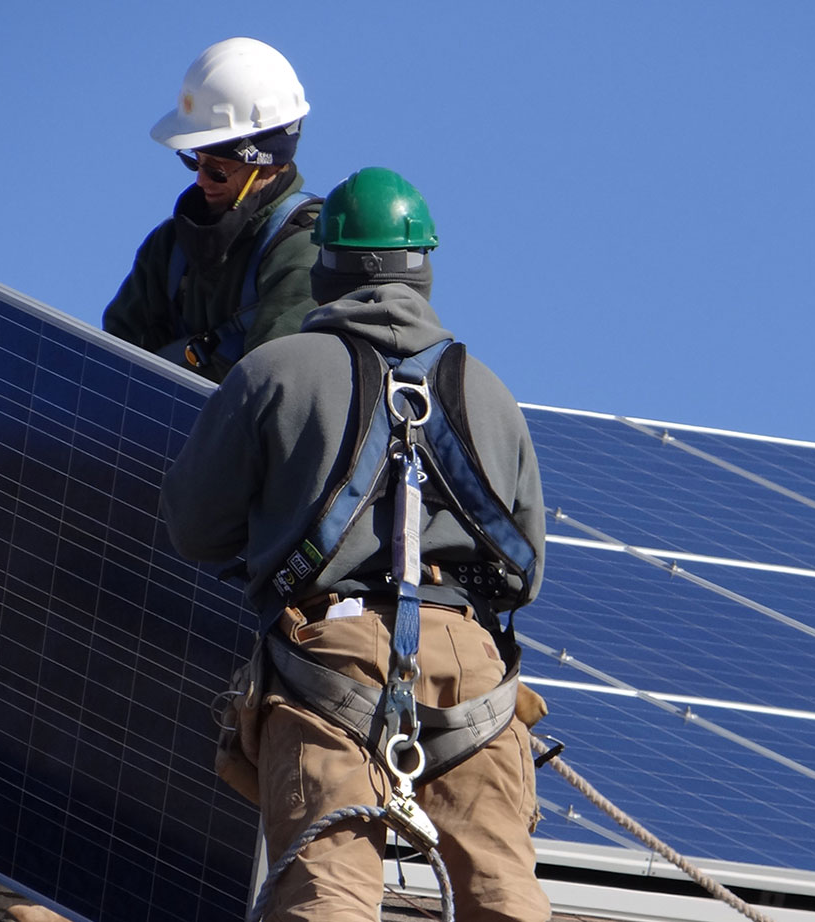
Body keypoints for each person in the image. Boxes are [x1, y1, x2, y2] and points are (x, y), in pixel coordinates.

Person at [161, 167, 551, 922]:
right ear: (425, 267)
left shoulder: (271, 373)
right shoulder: (492, 393)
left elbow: (194, 528)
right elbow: (524, 571)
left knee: (327, 898)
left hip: (331, 656)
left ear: (324, 267)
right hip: (470, 669)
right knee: (505, 899)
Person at [103, 37, 322, 383]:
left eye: (217, 170)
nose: (201, 181)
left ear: (265, 166)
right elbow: (106, 371)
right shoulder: (167, 250)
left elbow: (269, 402)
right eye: (195, 162)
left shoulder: (303, 256)